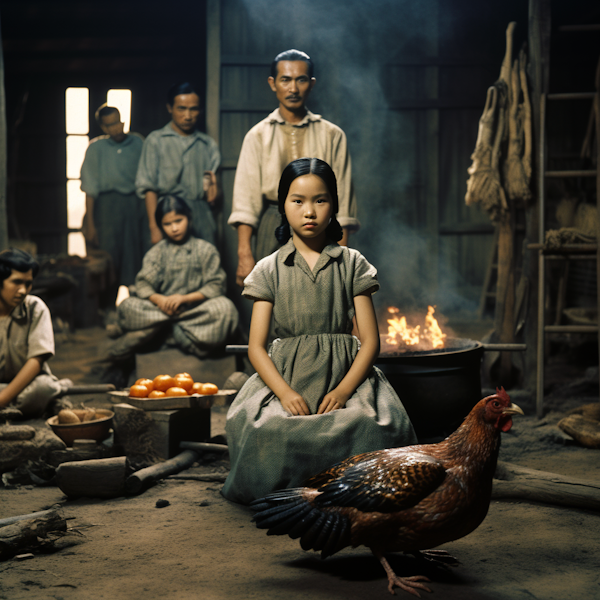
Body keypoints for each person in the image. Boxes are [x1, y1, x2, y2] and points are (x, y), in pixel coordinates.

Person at [222, 158, 416, 504]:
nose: (309, 211)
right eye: (298, 201)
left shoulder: (352, 263)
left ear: (335, 205)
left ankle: (347, 496)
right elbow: (256, 348)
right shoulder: (268, 269)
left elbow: (370, 342)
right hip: (287, 375)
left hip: (345, 372)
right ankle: (291, 500)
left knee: (373, 426)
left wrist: (342, 392)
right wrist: (284, 394)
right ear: (283, 206)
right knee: (264, 428)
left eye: (320, 200)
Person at [228, 49, 360, 288]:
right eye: (285, 80)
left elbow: (343, 203)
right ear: (273, 83)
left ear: (311, 84)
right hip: (272, 222)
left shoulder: (332, 135)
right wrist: (244, 254)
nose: (293, 88)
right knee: (270, 299)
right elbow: (245, 202)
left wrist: (343, 258)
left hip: (321, 223)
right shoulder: (257, 135)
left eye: (301, 80)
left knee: (322, 298)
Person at [108, 196, 239, 360]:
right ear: (160, 226)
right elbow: (143, 285)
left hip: (194, 312)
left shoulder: (205, 250)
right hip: (160, 310)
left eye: (179, 220)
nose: (174, 228)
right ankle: (177, 330)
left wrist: (184, 299)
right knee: (127, 306)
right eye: (167, 224)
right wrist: (160, 300)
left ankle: (166, 330)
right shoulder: (156, 253)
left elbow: (216, 286)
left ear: (189, 218)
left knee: (226, 308)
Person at [135, 82, 221, 248]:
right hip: (167, 214)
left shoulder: (207, 144)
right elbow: (149, 188)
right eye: (181, 108)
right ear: (170, 108)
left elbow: (214, 189)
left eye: (193, 109)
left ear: (200, 110)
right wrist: (155, 227)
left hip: (200, 215)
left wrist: (213, 192)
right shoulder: (156, 141)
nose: (188, 116)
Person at [80, 105, 147, 302]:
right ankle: (106, 307)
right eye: (109, 125)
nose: (115, 128)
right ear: (103, 127)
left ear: (122, 121)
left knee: (134, 254)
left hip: (135, 207)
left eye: (118, 123)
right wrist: (91, 224)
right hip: (106, 211)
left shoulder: (138, 143)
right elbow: (90, 189)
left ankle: (137, 305)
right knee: (109, 256)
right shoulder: (95, 148)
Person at [0, 249, 72, 418]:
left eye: (28, 284)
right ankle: (47, 399)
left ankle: (52, 391)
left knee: (42, 389)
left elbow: (36, 361)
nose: (23, 290)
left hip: (29, 384)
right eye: (16, 282)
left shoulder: (35, 308)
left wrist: (2, 399)